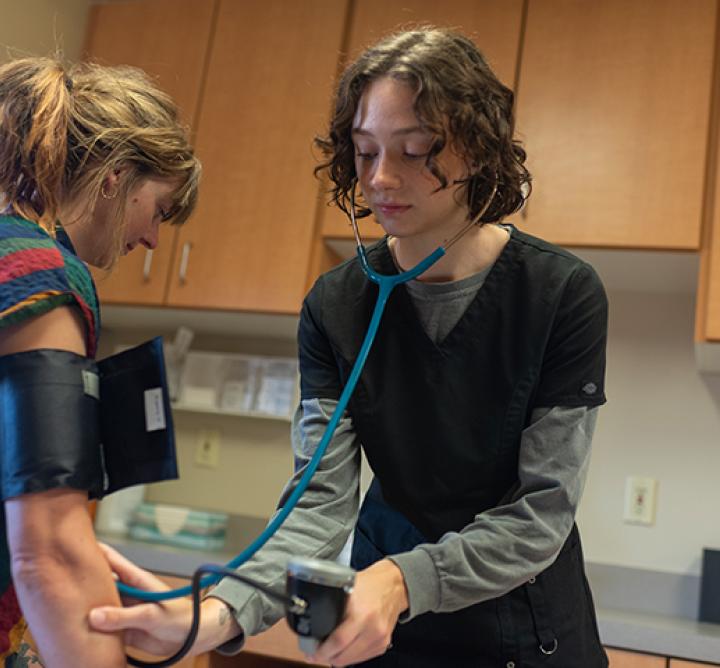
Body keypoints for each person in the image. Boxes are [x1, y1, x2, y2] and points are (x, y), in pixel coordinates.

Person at [90, 27, 609, 667]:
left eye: (415, 150)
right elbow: (317, 503)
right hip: (379, 633)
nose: (382, 178)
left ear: (478, 150)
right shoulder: (335, 306)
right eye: (364, 153)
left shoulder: (561, 294)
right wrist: (221, 613)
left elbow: (541, 517)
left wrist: (399, 581)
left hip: (524, 637)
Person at [0, 56, 199, 667]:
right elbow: (47, 550)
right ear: (115, 179)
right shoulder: (40, 273)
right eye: (159, 210)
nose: (153, 241)